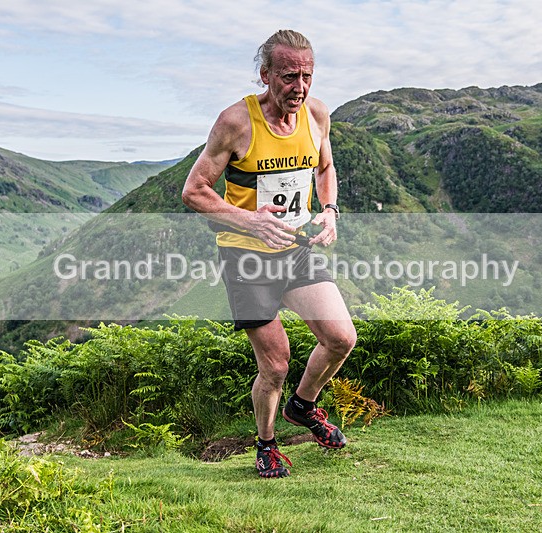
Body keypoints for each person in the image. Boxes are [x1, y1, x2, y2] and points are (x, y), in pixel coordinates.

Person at [182, 29, 357, 478]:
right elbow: (194, 192)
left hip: (297, 248)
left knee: (341, 338)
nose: (298, 88)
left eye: (306, 76)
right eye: (288, 77)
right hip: (247, 256)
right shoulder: (235, 122)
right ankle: (266, 444)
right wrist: (251, 221)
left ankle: (303, 406)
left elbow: (326, 167)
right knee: (275, 364)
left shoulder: (317, 115)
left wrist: (331, 209)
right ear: (265, 75)